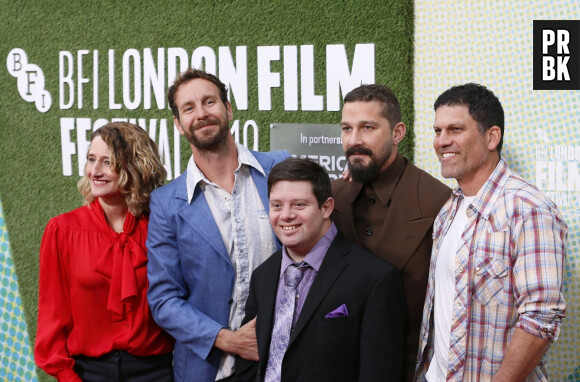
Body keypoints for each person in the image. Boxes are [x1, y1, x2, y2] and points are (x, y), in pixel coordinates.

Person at [415, 83, 567, 381]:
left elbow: (541, 318)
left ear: (491, 137)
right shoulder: (449, 208)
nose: (442, 141)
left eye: (455, 130)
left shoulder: (528, 209)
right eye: (437, 131)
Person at [146, 68, 290, 382]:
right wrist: (227, 339)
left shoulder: (280, 168)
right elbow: (163, 300)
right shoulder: (166, 203)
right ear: (178, 124)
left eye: (209, 102)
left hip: (284, 363)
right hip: (210, 371)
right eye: (188, 108)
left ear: (228, 109)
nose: (201, 113)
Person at [234, 157, 406, 382]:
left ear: (326, 208)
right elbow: (249, 358)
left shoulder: (374, 279)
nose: (285, 215)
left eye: (299, 204)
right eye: (277, 205)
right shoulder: (263, 276)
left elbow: (380, 374)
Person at [35, 122, 174, 381]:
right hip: (87, 373)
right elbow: (52, 318)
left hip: (155, 372)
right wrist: (68, 376)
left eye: (107, 162)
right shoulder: (63, 230)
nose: (94, 171)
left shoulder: (161, 227)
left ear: (134, 167)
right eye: (91, 159)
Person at [331, 84, 451, 381]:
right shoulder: (329, 199)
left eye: (367, 128)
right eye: (347, 129)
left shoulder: (439, 201)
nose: (354, 140)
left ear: (398, 133)